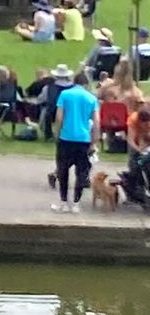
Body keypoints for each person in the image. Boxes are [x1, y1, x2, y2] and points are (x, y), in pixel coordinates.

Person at [51, 69, 99, 213]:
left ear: (74, 82)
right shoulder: (91, 98)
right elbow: (97, 122)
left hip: (66, 137)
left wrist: (57, 133)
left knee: (63, 170)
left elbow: (59, 117)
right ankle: (77, 203)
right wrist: (94, 142)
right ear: (86, 84)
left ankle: (64, 202)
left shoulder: (65, 95)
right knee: (81, 172)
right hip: (83, 138)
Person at [126, 107, 150, 203]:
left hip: (147, 139)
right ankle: (133, 191)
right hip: (136, 141)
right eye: (145, 123)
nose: (147, 125)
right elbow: (130, 140)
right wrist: (139, 149)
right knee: (134, 164)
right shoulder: (133, 120)